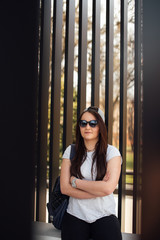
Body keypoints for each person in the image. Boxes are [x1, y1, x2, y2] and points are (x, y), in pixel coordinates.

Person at [60, 106, 122, 240]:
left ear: (101, 127)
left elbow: (107, 188)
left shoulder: (111, 153)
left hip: (104, 215)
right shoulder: (70, 151)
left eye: (93, 123)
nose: (87, 127)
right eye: (83, 123)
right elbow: (64, 188)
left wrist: (75, 182)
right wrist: (97, 189)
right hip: (75, 214)